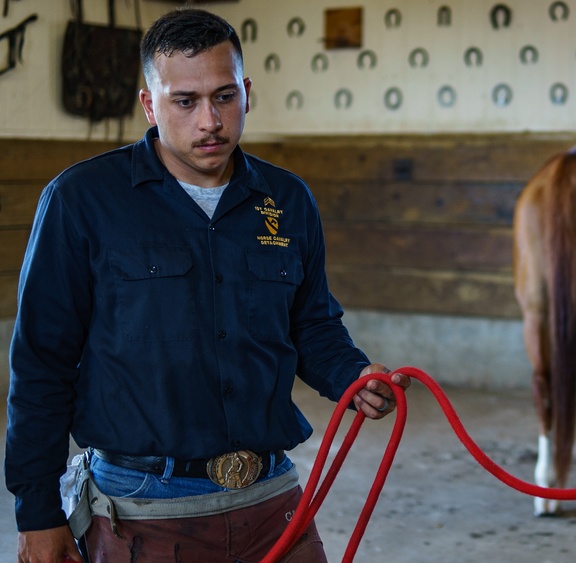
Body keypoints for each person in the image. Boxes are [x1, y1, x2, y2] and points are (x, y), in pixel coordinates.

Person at [5, 8, 410, 562]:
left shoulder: (288, 201)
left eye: (224, 97)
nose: (210, 122)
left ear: (247, 92)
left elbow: (311, 324)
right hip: (144, 508)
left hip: (273, 499)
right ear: (150, 104)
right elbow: (41, 364)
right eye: (185, 101)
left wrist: (352, 376)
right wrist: (37, 513)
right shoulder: (81, 201)